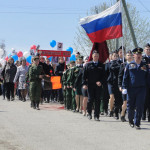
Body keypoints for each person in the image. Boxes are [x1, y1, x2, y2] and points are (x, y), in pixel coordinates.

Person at [122, 47, 148, 129]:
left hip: (142, 89)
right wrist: (124, 87)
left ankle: (137, 123)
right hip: (131, 89)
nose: (138, 56)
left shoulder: (145, 65)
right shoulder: (129, 65)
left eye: (140, 54)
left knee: (140, 106)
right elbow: (125, 77)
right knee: (131, 106)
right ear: (134, 55)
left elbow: (147, 77)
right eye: (137, 54)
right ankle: (130, 120)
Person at [83, 50, 105, 121]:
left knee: (97, 100)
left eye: (97, 56)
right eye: (95, 56)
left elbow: (104, 76)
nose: (96, 57)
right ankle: (89, 113)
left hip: (98, 86)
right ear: (92, 56)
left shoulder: (101, 65)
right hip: (90, 85)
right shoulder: (88, 65)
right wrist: (84, 84)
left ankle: (96, 115)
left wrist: (101, 82)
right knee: (90, 100)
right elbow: (84, 76)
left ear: (98, 57)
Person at [105, 51, 122, 119]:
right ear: (111, 57)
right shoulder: (108, 64)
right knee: (112, 96)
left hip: (117, 83)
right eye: (114, 56)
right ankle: (111, 110)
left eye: (116, 56)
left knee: (118, 98)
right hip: (110, 82)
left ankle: (116, 112)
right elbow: (105, 74)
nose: (115, 57)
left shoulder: (120, 64)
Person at [118, 50, 133, 122]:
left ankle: (131, 115)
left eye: (131, 55)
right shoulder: (123, 65)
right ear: (126, 57)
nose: (130, 56)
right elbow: (120, 76)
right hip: (125, 86)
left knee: (132, 102)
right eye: (128, 55)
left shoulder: (135, 64)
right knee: (125, 102)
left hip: (133, 86)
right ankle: (122, 114)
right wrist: (120, 85)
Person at [142, 43, 150, 122]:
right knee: (145, 99)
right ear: (144, 50)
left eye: (149, 49)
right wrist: (147, 66)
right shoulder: (143, 58)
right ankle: (143, 114)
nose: (148, 51)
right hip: (144, 81)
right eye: (147, 49)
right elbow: (141, 68)